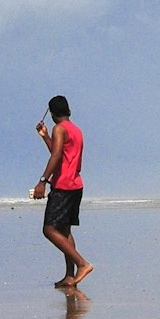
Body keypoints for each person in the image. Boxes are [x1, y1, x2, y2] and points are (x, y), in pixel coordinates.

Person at [33, 96, 92, 287]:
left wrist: (42, 181)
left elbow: (57, 155)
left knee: (49, 229)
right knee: (64, 231)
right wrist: (45, 136)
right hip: (76, 184)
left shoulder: (59, 128)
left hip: (63, 185)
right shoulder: (75, 130)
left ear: (52, 113)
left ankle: (82, 263)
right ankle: (69, 275)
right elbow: (59, 151)